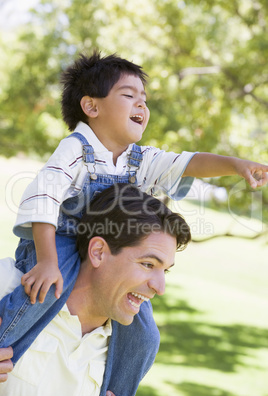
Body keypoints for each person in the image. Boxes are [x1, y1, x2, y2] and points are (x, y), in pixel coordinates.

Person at [0, 50, 268, 364]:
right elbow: (43, 197)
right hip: (61, 242)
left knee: (145, 336)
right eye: (129, 95)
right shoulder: (75, 148)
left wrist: (236, 165)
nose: (141, 104)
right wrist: (47, 261)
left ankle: (113, 394)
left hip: (104, 249)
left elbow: (187, 163)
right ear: (91, 106)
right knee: (46, 294)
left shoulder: (139, 159)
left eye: (144, 98)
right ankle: (6, 350)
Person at [0, 184, 191, 396]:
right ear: (98, 252)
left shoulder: (122, 357)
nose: (160, 287)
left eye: (165, 270)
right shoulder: (8, 285)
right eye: (148, 264)